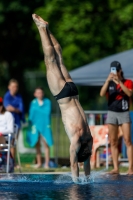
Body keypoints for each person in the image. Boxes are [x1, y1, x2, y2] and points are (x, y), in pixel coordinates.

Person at [32, 14, 93, 182]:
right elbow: (75, 165)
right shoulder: (77, 138)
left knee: (59, 56)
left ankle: (47, 28)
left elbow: (87, 162)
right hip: (63, 96)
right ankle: (42, 29)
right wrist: (76, 184)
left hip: (73, 91)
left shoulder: (89, 138)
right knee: (50, 60)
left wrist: (87, 176)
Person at [100, 61, 133, 174]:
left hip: (124, 112)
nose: (115, 72)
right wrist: (107, 81)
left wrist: (119, 82)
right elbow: (101, 93)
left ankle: (131, 168)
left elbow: (129, 94)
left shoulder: (128, 82)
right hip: (112, 112)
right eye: (113, 70)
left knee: (127, 140)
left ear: (120, 71)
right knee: (113, 141)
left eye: (116, 70)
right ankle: (116, 168)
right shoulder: (109, 83)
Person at [28, 87, 53, 168]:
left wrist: (36, 110)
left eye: (41, 92)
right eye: (38, 93)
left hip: (45, 126)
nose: (39, 94)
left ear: (43, 93)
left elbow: (47, 112)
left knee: (46, 144)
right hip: (36, 126)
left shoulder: (47, 102)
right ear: (35, 94)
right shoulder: (33, 102)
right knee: (37, 144)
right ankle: (39, 163)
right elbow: (31, 115)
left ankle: (46, 163)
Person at [3, 79, 25, 165]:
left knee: (13, 142)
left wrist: (14, 109)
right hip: (7, 123)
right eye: (12, 86)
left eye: (16, 86)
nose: (14, 88)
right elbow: (7, 107)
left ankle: (12, 161)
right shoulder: (7, 96)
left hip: (17, 122)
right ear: (9, 87)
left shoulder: (19, 96)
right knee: (6, 142)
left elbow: (21, 109)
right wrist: (16, 109)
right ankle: (6, 161)